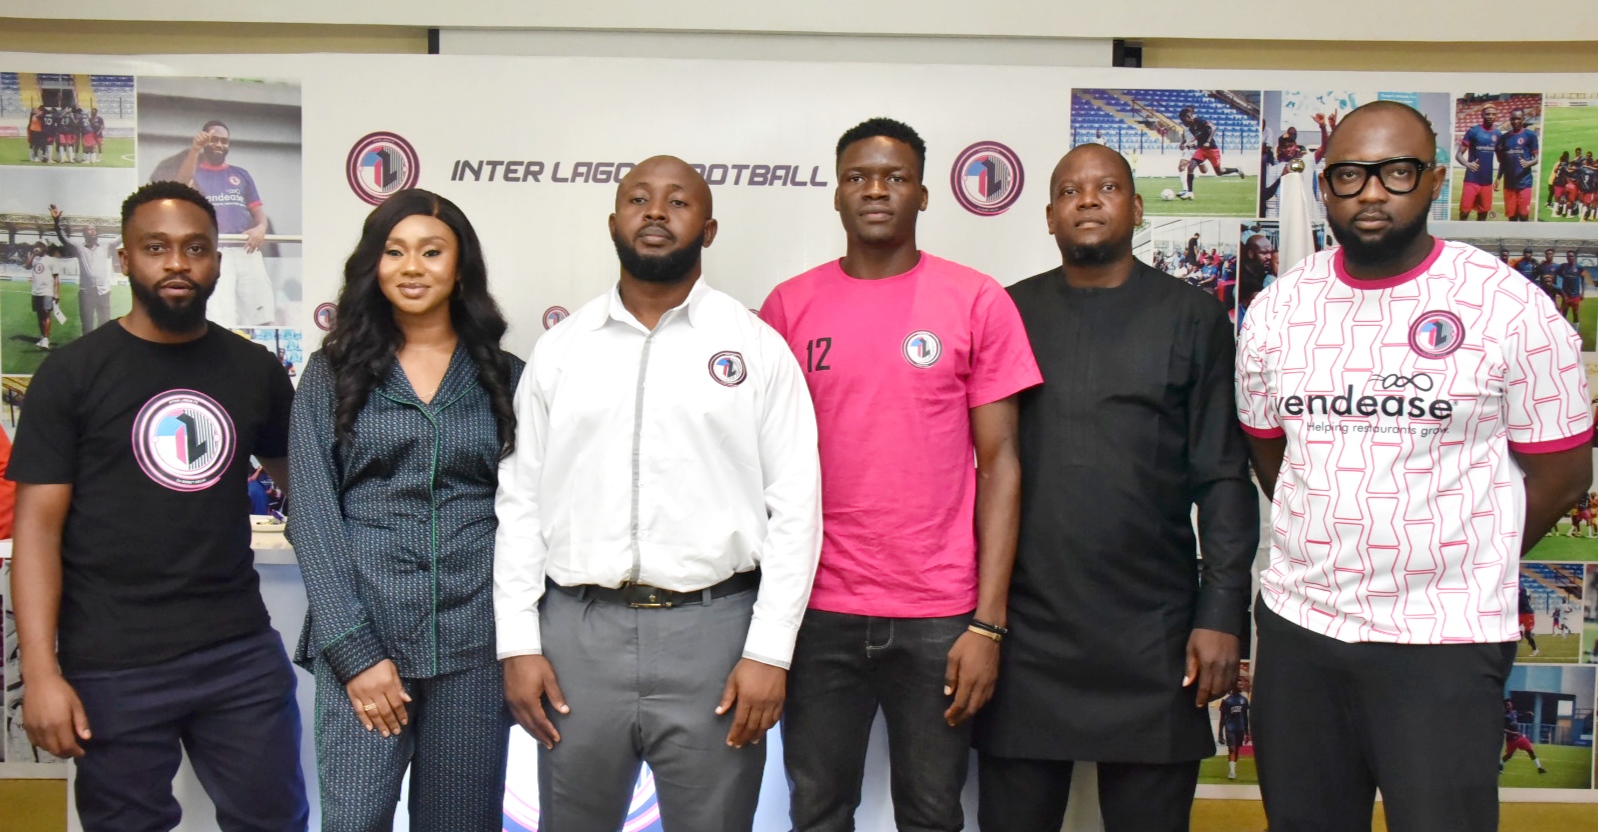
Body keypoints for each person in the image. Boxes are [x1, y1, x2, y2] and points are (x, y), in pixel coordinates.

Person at [1236, 100, 1591, 832]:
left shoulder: (1508, 308)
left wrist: (1463, 555)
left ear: (1432, 180)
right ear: (1324, 186)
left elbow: (1562, 474)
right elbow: (1271, 452)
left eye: (1395, 173)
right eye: (1350, 175)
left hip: (1443, 639)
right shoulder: (1278, 312)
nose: (1372, 192)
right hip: (1303, 630)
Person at [494, 156, 822, 831]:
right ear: (612, 221)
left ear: (709, 228)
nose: (654, 211)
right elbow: (521, 503)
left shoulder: (755, 349)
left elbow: (796, 508)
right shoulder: (562, 350)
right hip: (577, 638)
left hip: (715, 640)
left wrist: (769, 652)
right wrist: (518, 642)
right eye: (638, 198)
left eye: (677, 201)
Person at [759, 117, 1039, 832]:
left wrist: (988, 624)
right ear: (836, 193)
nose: (875, 190)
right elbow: (760, 467)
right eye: (858, 176)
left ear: (921, 192)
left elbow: (1002, 463)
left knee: (933, 811)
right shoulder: (789, 308)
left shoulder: (977, 300)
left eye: (894, 177)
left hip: (940, 615)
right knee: (818, 809)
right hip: (816, 610)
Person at [6, 181, 305, 831]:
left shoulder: (252, 370)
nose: (177, 263)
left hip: (238, 653)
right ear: (124, 259)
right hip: (112, 662)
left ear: (217, 261)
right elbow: (36, 530)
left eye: (195, 248)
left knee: (275, 820)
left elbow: (307, 494)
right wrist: (41, 670)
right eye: (156, 247)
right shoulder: (73, 375)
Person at [976, 143, 1257, 832]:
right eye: (1071, 190)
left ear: (1135, 207)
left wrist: (1221, 613)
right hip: (1025, 633)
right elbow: (976, 468)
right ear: (1048, 215)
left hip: (1154, 636)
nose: (1088, 199)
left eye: (1106, 187)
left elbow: (1223, 476)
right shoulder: (1007, 313)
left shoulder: (1194, 318)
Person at [289, 189, 522, 830]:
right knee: (355, 821)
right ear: (373, 264)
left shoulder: (507, 376)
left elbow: (531, 517)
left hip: (475, 644)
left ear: (460, 267)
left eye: (431, 252)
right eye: (394, 251)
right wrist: (353, 653)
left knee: (462, 823)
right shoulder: (329, 374)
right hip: (365, 642)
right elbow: (311, 514)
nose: (412, 267)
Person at [161, 120, 275, 327]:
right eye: (214, 140)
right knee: (220, 317)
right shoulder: (194, 171)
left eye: (224, 141)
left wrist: (260, 229)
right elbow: (177, 187)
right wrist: (195, 149)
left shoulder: (241, 174)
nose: (219, 145)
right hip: (215, 251)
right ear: (204, 141)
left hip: (245, 250)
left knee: (260, 314)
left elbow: (259, 214)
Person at [50, 203, 118, 334]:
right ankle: (88, 352)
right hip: (86, 294)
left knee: (105, 325)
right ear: (84, 234)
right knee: (87, 325)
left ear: (97, 232)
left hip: (103, 293)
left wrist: (130, 220)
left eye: (93, 229)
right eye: (88, 230)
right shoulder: (79, 247)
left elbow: (122, 237)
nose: (91, 231)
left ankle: (102, 351)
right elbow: (63, 239)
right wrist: (56, 222)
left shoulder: (106, 245)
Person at [1175, 106, 1245, 200]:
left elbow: (1214, 127)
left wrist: (1208, 141)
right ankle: (1190, 192)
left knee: (1219, 172)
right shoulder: (1191, 127)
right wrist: (1190, 144)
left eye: (1184, 120)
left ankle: (1236, 170)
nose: (1183, 123)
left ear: (1188, 117)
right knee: (1190, 167)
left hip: (1212, 150)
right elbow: (1198, 135)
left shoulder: (1199, 120)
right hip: (1201, 150)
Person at [1456, 104, 1501, 220]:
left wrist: (1498, 178)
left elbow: (1502, 160)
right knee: (1464, 213)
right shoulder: (1473, 131)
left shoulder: (1497, 134)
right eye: (1487, 114)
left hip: (1487, 181)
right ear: (1482, 115)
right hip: (1471, 179)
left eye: (1493, 114)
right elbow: (1458, 154)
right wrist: (1467, 164)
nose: (1490, 116)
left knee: (1483, 214)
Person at [1498, 109, 1540, 222]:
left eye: (1518, 118)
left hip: (1524, 183)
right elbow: (1503, 161)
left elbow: (1536, 158)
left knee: (1524, 216)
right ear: (1510, 120)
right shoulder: (1504, 138)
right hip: (1509, 184)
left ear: (1523, 119)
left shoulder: (1530, 135)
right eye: (1513, 119)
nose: (1515, 121)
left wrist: (1528, 163)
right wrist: (1498, 178)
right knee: (1512, 217)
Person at [22, 242, 60, 349]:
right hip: (36, 291)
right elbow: (26, 266)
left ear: (45, 248)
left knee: (46, 313)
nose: (37, 247)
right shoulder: (34, 259)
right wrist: (33, 254)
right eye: (36, 245)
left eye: (40, 245)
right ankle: (42, 337)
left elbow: (56, 277)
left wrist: (56, 293)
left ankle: (46, 339)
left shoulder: (51, 260)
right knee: (39, 315)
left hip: (47, 290)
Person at [1500, 701, 1547, 775]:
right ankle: (1500, 765)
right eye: (1506, 706)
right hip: (1511, 740)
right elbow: (1502, 729)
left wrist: (1527, 713)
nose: (1508, 706)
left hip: (1519, 737)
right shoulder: (1504, 716)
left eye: (1509, 705)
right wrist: (1513, 733)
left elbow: (1519, 716)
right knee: (1509, 755)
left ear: (1512, 705)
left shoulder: (1514, 712)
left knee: (1530, 751)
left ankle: (1539, 768)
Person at [1218, 683, 1252, 781]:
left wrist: (1247, 733)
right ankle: (1232, 772)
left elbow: (1245, 717)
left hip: (1240, 728)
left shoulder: (1244, 700)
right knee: (1232, 749)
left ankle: (1233, 768)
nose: (1240, 686)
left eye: (1241, 684)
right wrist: (1220, 734)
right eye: (1238, 684)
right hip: (1230, 728)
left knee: (1236, 750)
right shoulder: (1227, 701)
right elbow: (1222, 719)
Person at [1238, 233, 1277, 312]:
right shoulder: (1244, 280)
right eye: (1264, 253)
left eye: (1270, 252)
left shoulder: (1262, 272)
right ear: (1251, 254)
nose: (1269, 257)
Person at [1518, 584, 1541, 657]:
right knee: (1511, 628)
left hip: (1528, 614)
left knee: (1527, 635)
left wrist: (1529, 605)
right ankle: (1521, 634)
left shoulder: (1522, 588)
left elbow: (1532, 596)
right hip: (1519, 613)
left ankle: (1535, 649)